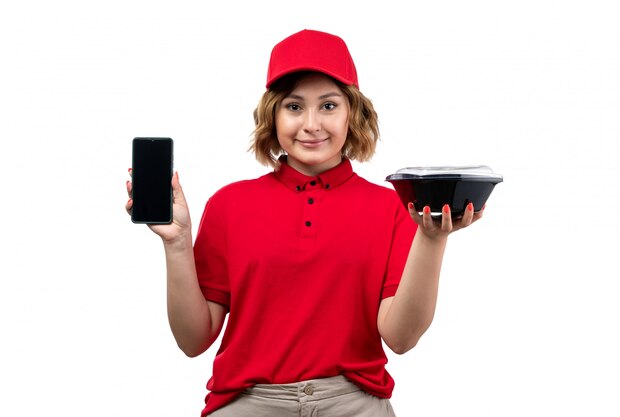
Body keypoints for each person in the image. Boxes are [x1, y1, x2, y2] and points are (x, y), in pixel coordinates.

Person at [126, 29, 483, 417]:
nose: (311, 124)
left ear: (353, 113)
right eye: (294, 107)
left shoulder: (389, 206)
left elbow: (401, 337)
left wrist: (432, 241)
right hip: (248, 402)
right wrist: (176, 244)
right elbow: (193, 340)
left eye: (328, 106)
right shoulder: (230, 204)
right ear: (273, 115)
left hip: (354, 403)